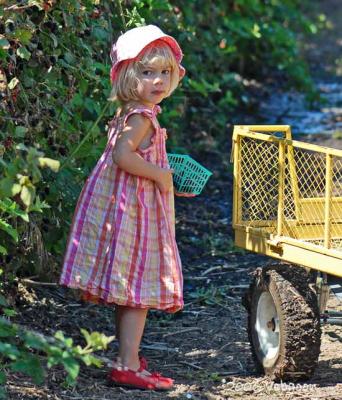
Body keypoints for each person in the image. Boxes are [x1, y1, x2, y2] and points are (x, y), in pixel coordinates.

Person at [59, 24, 186, 390]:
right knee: (139, 287)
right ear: (129, 75)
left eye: (165, 72)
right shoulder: (142, 117)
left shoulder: (134, 110)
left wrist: (159, 168)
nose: (158, 81)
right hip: (134, 211)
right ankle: (128, 363)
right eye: (147, 72)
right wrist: (162, 177)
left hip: (126, 203)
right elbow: (123, 156)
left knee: (129, 286)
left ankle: (126, 356)